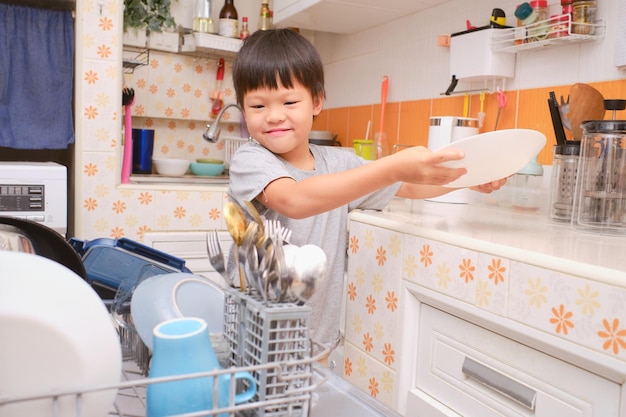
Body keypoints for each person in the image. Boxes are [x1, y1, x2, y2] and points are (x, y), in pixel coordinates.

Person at [227, 28, 505, 347]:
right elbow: (293, 200)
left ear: (316, 102)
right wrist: (390, 166)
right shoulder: (251, 159)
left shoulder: (339, 163)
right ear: (244, 109)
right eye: (258, 106)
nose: (274, 116)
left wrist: (469, 177)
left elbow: (409, 187)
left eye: (289, 101)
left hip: (316, 340)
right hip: (255, 339)